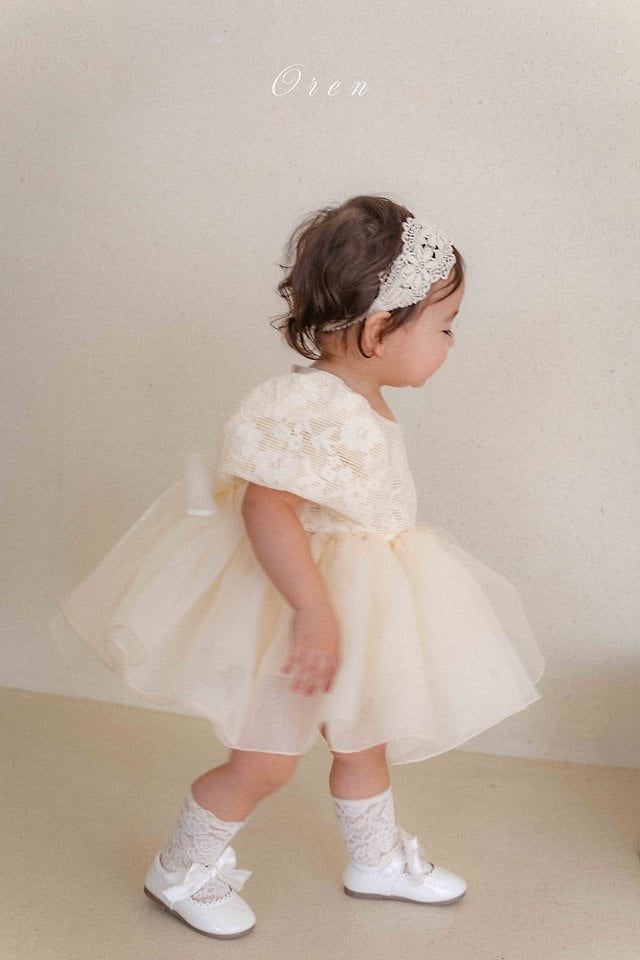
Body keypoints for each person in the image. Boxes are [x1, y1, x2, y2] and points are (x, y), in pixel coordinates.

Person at [49, 194, 545, 939]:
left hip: (365, 605)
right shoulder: (316, 404)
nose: (451, 342)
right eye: (444, 326)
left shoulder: (359, 401)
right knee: (266, 762)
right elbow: (266, 505)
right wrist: (313, 610)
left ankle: (375, 859)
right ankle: (180, 869)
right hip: (299, 614)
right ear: (378, 330)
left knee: (363, 737)